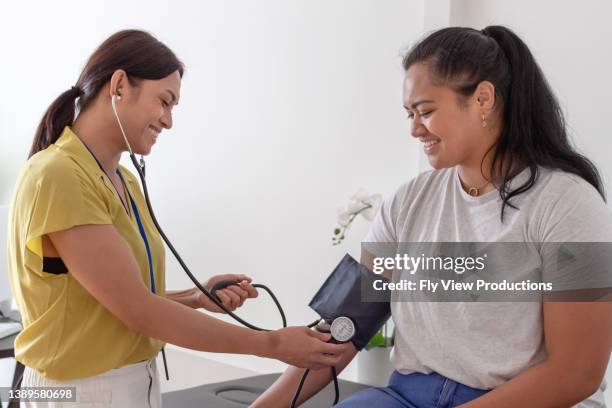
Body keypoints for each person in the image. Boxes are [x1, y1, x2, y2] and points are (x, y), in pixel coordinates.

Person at [253, 25, 612, 407]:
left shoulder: (568, 204)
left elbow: (576, 373)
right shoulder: (408, 202)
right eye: (409, 113)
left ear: (483, 99)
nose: (413, 129)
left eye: (425, 111)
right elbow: (343, 329)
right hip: (409, 394)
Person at [7, 29, 350, 407]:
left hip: (132, 381)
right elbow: (138, 310)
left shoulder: (124, 182)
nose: (169, 121)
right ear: (119, 85)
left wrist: (196, 297)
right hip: (77, 391)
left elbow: (109, 300)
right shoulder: (59, 175)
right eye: (165, 101)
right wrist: (271, 344)